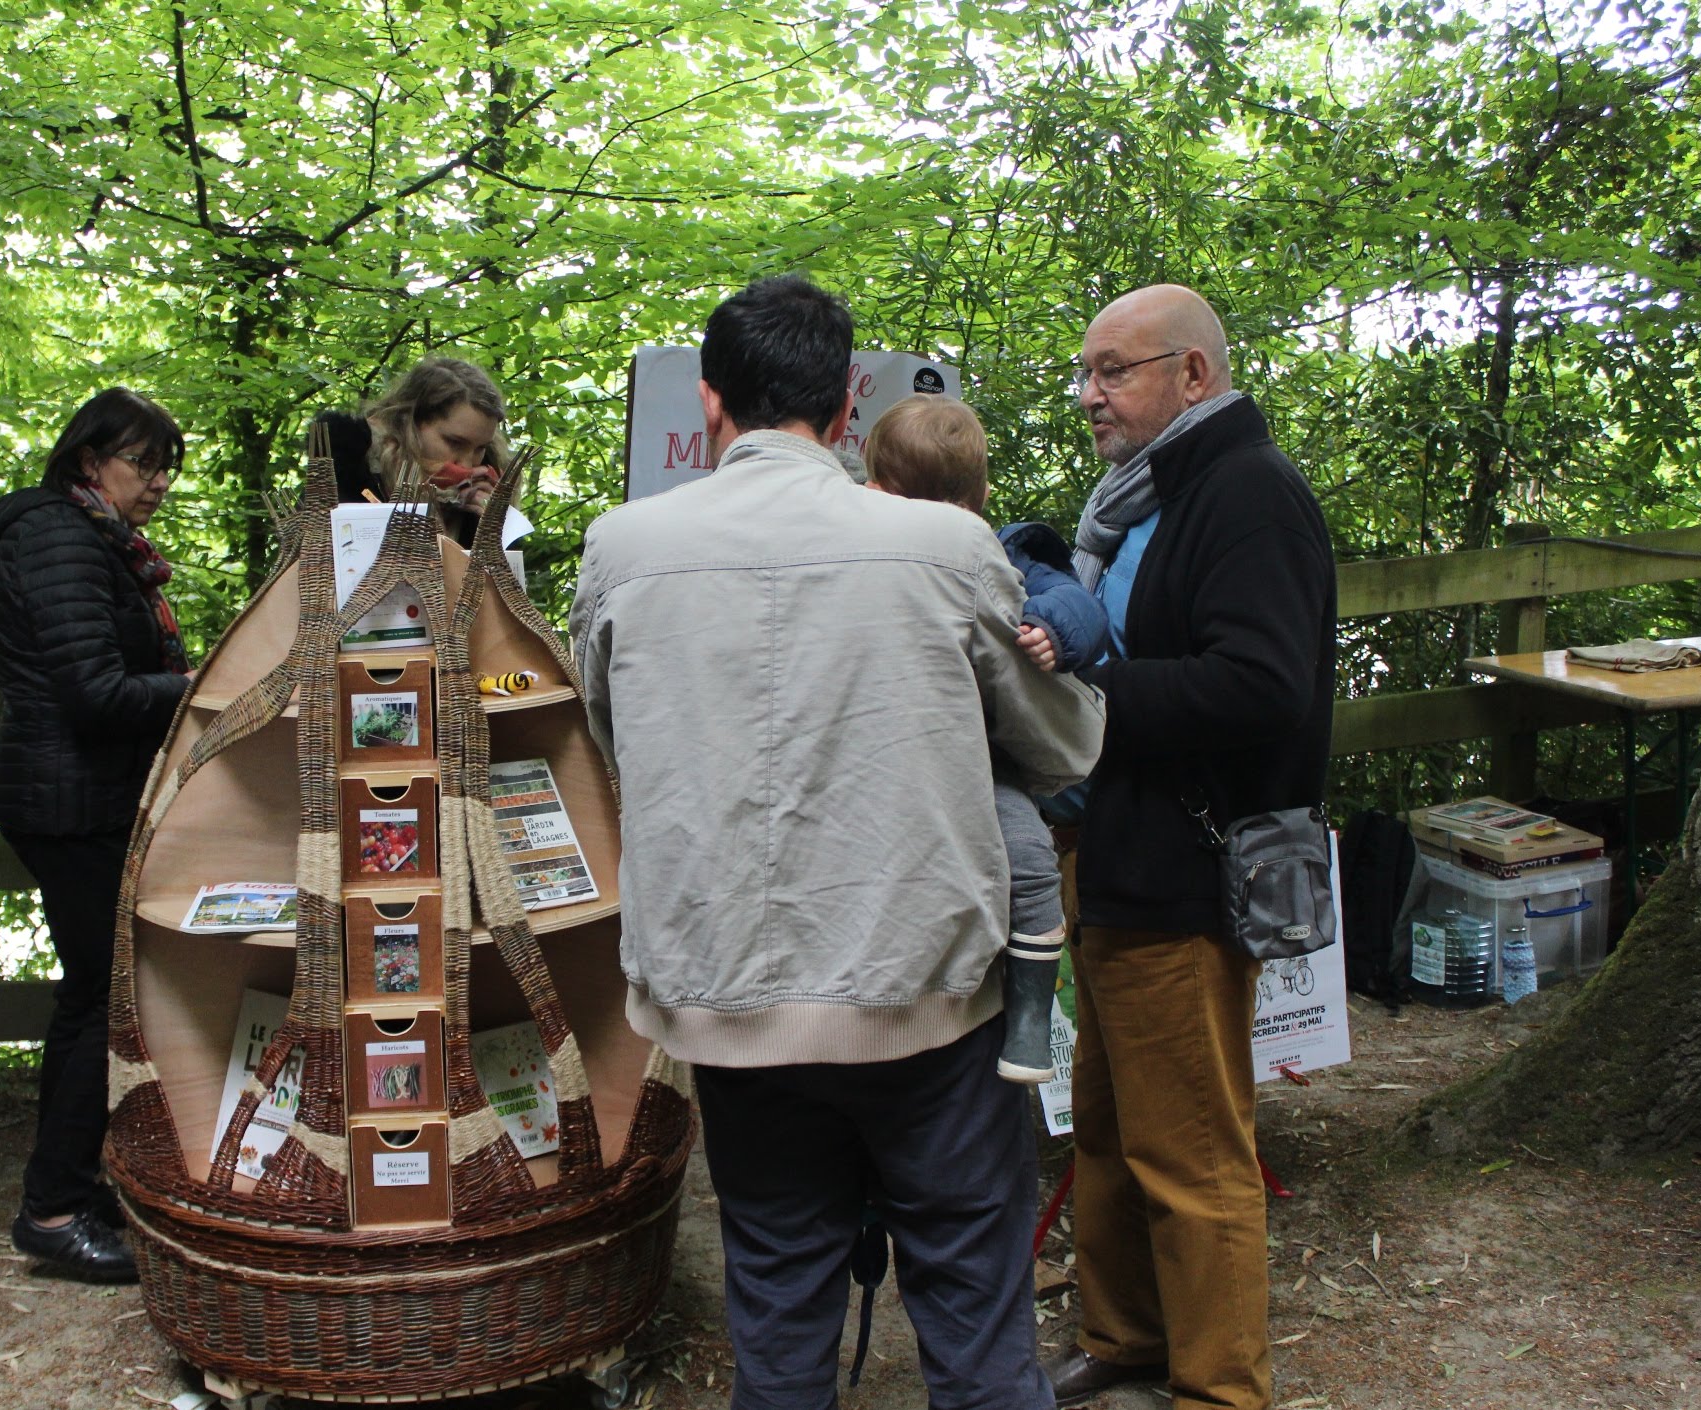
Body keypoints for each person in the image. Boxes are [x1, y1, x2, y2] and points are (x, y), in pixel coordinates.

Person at [571, 274, 1106, 1410]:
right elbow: (1061, 747)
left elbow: (614, 739)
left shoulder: (622, 549)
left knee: (777, 1299)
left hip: (730, 1001)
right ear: (846, 405)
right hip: (928, 997)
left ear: (711, 405)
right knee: (974, 1306)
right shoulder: (944, 547)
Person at [1042, 286, 1334, 1410]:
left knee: (1194, 1153)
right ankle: (1125, 1339)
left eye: (1114, 371)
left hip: (1188, 873)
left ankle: (1220, 1389)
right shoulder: (1153, 495)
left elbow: (1262, 685)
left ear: (1194, 376)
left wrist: (1084, 691)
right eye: (1088, 372)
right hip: (1120, 859)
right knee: (1109, 1128)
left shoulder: (1249, 495)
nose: (1090, 396)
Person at [0, 387, 194, 1283]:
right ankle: (52, 1211)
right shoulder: (58, 537)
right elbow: (94, 694)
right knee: (100, 999)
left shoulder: (88, 539)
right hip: (69, 802)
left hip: (80, 797)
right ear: (88, 460)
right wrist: (204, 683)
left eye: (166, 464)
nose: (159, 481)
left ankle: (72, 1186)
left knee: (92, 997)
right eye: (143, 462)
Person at [862, 392, 1109, 1083]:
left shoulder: (1005, 554)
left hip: (982, 759)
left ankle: (1030, 1018)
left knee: (1029, 863)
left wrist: (1052, 632)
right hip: (903, 754)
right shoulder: (863, 564)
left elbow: (1076, 603)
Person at [310, 357, 512, 544]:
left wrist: (492, 533)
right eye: (454, 443)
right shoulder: (346, 473)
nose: (468, 464)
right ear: (410, 424)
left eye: (480, 449)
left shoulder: (481, 496)